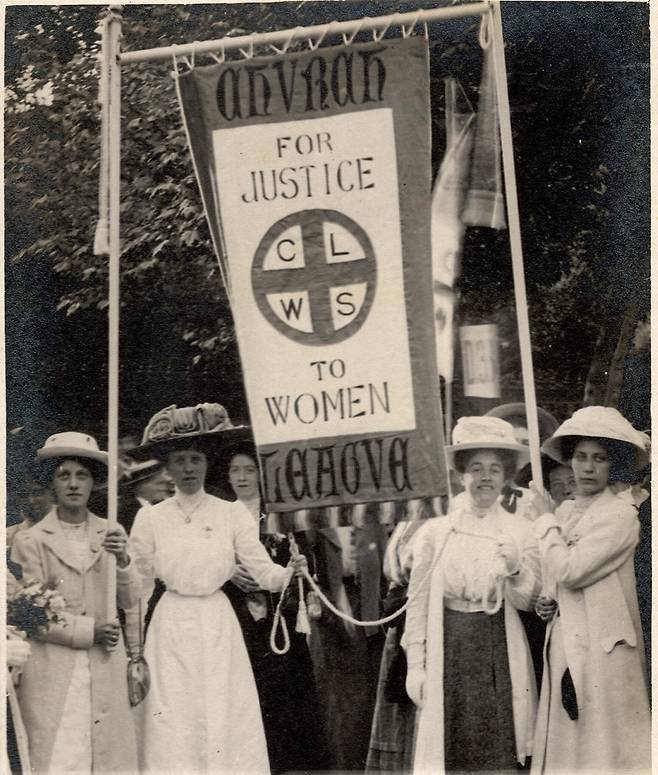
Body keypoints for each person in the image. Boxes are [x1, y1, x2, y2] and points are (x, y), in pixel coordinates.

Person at [126, 402, 308, 773]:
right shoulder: (150, 518)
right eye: (180, 461)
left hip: (217, 622)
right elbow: (138, 589)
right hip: (170, 626)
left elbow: (262, 572)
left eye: (196, 459)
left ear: (208, 464)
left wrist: (290, 571)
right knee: (173, 715)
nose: (189, 469)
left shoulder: (230, 513)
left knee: (223, 710)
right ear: (168, 467)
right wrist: (134, 649)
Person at [403, 416, 540, 773]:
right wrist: (415, 665)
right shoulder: (437, 531)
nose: (485, 477)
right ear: (461, 474)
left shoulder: (520, 531)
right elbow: (416, 603)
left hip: (497, 644)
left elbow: (528, 602)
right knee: (450, 750)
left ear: (506, 476)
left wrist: (515, 569)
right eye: (476, 468)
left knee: (497, 748)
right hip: (449, 644)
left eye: (495, 469)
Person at [10, 431, 141, 773]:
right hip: (52, 667)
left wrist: (124, 560)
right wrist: (89, 630)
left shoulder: (110, 533)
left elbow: (131, 600)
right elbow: (28, 612)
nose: (73, 484)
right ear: (52, 483)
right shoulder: (30, 540)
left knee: (105, 757)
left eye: (81, 475)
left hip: (104, 663)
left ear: (92, 482)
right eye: (63, 475)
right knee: (62, 754)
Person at [530, 406, 651, 774]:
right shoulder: (566, 512)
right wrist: (546, 602)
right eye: (580, 457)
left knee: (607, 747)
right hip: (568, 645)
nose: (586, 467)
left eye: (598, 459)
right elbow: (557, 580)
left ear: (612, 466)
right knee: (571, 744)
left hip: (604, 649)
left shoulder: (620, 515)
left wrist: (543, 520)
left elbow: (571, 570)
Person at [220, 444, 328, 774]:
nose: (241, 477)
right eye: (235, 470)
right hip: (237, 612)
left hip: (278, 613)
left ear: (261, 475)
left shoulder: (278, 514)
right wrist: (228, 572)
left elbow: (304, 562)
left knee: (286, 692)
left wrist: (291, 569)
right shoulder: (220, 514)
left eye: (249, 470)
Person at [366, 499, 434, 774]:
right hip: (402, 623)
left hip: (423, 622)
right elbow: (392, 565)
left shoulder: (437, 520)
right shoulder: (409, 516)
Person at [117, 457, 171, 534]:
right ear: (141, 486)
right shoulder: (125, 511)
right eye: (159, 483)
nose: (164, 488)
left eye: (165, 483)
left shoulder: (163, 507)